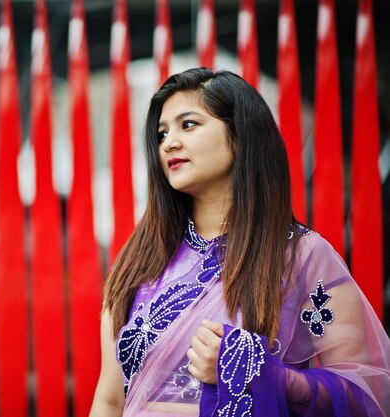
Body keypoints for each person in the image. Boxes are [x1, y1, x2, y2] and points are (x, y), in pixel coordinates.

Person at [89, 68, 390, 417]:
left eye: (189, 124)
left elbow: (365, 390)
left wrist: (258, 372)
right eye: (162, 133)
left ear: (240, 135)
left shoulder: (300, 256)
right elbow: (109, 400)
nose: (169, 142)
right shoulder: (141, 261)